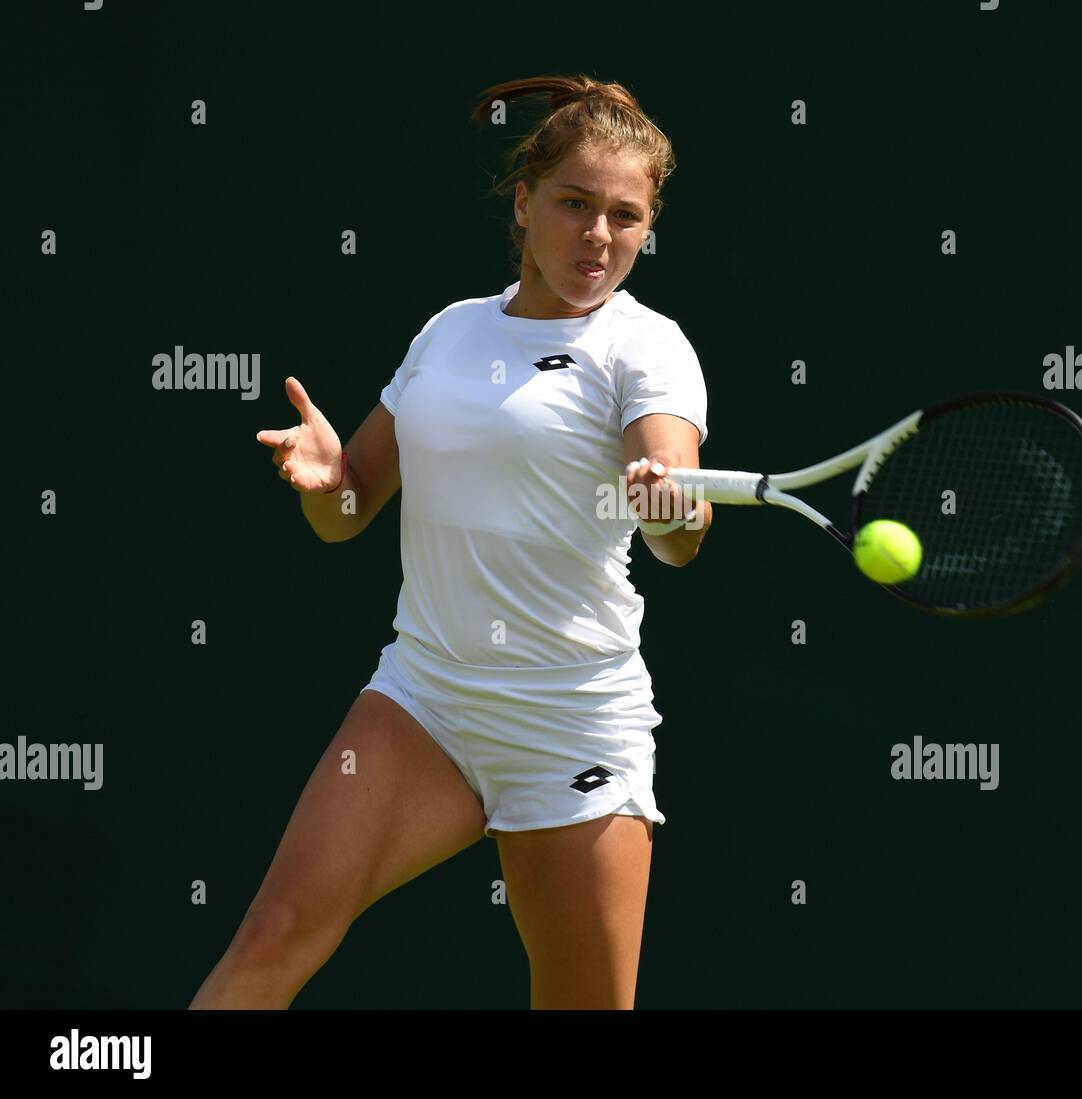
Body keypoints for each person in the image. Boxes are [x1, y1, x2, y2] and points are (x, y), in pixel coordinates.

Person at [189, 74, 710, 1010]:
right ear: (523, 202)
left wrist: (671, 505)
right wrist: (325, 480)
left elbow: (678, 527)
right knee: (273, 934)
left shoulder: (650, 348)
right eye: (575, 204)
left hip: (571, 721)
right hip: (423, 698)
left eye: (625, 218)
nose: (598, 236)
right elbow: (349, 513)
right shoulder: (448, 334)